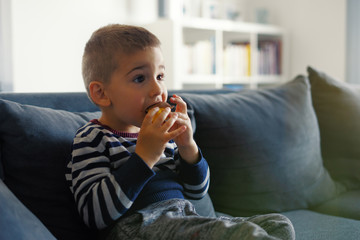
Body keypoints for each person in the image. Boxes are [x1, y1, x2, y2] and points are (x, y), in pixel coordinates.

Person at [66, 24, 295, 240]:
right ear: (101, 93)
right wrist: (144, 156)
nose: (157, 89)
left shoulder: (163, 133)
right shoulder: (92, 138)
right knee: (244, 234)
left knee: (278, 224)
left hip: (185, 216)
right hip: (138, 226)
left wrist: (188, 147)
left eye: (160, 76)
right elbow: (95, 215)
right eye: (139, 78)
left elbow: (197, 192)